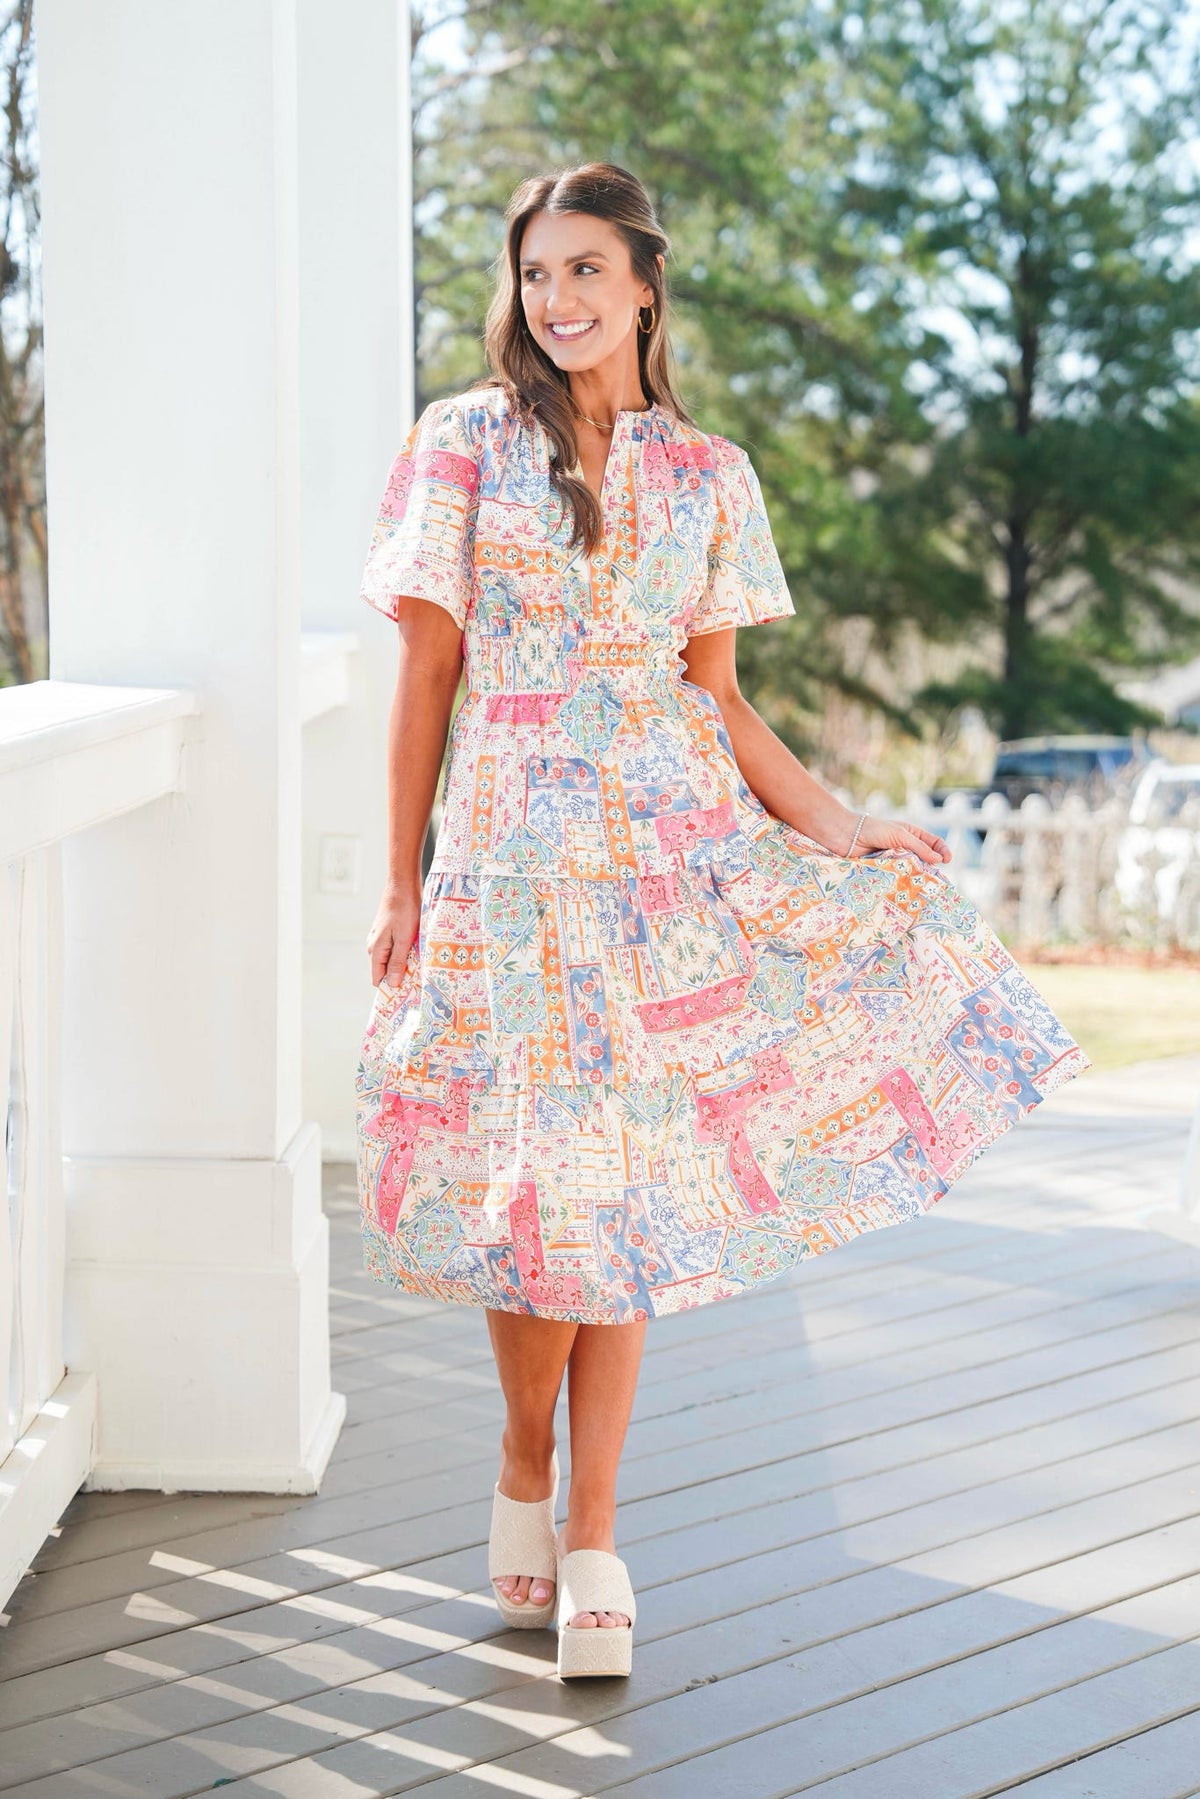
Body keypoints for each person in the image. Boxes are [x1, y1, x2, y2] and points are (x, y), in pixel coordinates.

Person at [355, 162, 1091, 1680]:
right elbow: (427, 673)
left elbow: (722, 701)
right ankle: (522, 1456)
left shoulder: (711, 474)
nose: (557, 299)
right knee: (534, 1194)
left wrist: (838, 823)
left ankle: (599, 1532)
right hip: (507, 865)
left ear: (644, 284)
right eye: (536, 273)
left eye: (586, 270)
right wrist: (403, 879)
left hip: (668, 866)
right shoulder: (461, 444)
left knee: (621, 1195)